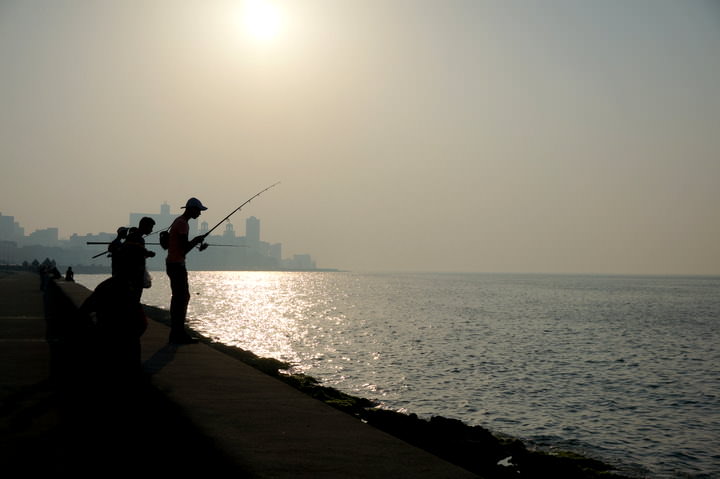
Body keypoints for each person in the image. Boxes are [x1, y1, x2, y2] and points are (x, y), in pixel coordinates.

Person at [166, 197, 208, 344]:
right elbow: (184, 249)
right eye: (198, 210)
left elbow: (181, 246)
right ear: (191, 209)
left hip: (173, 263)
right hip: (177, 265)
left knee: (179, 297)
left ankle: (176, 332)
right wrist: (196, 241)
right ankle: (177, 334)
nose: (200, 214)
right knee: (182, 298)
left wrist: (196, 243)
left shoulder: (179, 221)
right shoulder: (183, 224)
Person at [116, 217, 156, 304]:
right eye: (151, 227)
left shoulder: (136, 237)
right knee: (133, 299)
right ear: (144, 226)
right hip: (134, 275)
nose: (152, 230)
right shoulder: (136, 238)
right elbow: (133, 250)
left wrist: (145, 254)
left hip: (136, 274)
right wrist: (147, 253)